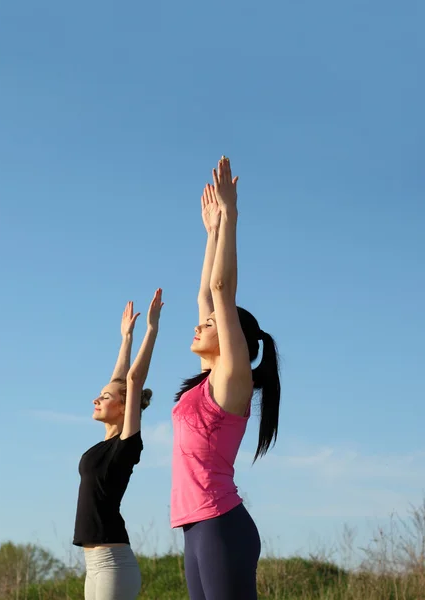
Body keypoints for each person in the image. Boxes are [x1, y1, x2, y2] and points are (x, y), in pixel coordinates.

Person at [170, 157, 281, 600]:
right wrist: (211, 233)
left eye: (212, 324)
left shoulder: (232, 380)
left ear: (234, 338)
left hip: (220, 524)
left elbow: (221, 291)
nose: (200, 324)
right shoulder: (204, 383)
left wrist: (231, 218)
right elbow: (205, 294)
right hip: (193, 527)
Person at [73, 289, 164, 600]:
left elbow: (132, 381)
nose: (97, 399)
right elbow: (120, 381)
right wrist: (125, 339)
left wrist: (151, 330)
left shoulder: (126, 446)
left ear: (126, 407)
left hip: (114, 563)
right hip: (94, 564)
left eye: (106, 398)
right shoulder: (103, 445)